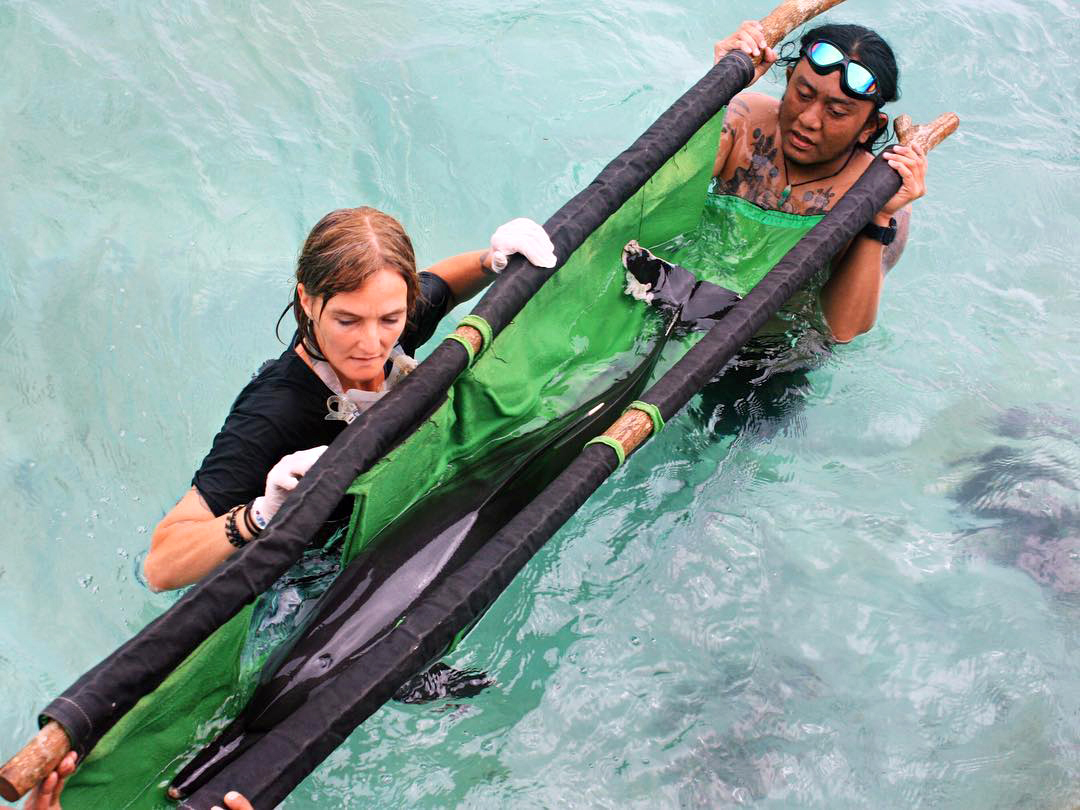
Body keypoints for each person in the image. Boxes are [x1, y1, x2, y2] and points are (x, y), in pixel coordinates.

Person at [143, 208, 555, 591]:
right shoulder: (274, 413)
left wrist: (491, 260)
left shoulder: (393, 313)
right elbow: (160, 566)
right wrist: (261, 513)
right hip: (307, 567)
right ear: (307, 300)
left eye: (390, 319)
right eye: (347, 320)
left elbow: (443, 284)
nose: (371, 343)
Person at [711, 21, 928, 342]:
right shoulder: (744, 121)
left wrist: (879, 216)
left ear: (870, 127)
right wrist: (716, 91)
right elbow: (657, 200)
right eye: (803, 94)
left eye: (837, 112)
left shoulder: (879, 194)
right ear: (787, 80)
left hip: (774, 347)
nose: (809, 119)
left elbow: (842, 328)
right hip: (685, 292)